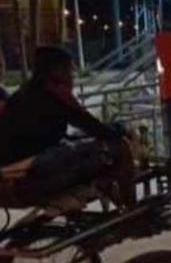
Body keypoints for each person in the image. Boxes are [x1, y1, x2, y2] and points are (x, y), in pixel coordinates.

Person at [0, 46, 135, 207]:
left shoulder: (25, 93)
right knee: (119, 147)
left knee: (86, 148)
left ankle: (118, 202)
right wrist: (122, 128)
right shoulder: (54, 93)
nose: (72, 77)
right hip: (31, 175)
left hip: (19, 174)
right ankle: (131, 210)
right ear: (56, 70)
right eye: (69, 70)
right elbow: (95, 127)